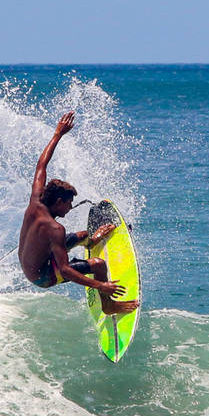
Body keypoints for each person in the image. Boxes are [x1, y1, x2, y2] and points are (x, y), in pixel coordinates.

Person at [18, 111, 139, 315]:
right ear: (58, 201)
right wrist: (101, 285)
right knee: (99, 265)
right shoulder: (55, 228)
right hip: (42, 276)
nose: (70, 207)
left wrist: (57, 135)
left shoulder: (35, 200)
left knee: (82, 236)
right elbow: (65, 270)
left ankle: (91, 241)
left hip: (30, 263)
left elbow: (41, 165)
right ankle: (108, 305)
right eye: (68, 203)